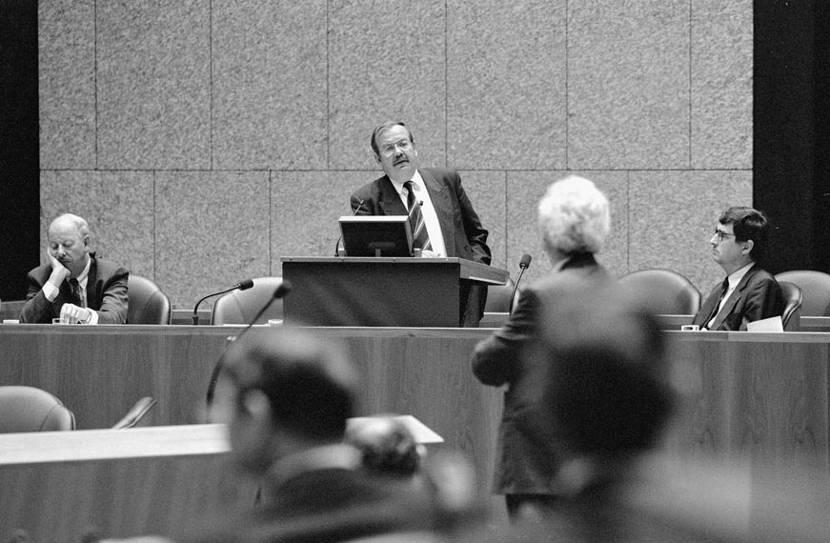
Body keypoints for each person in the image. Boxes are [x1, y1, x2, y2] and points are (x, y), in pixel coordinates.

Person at [188, 327, 445, 543]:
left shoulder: (230, 538)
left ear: (257, 414)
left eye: (221, 404)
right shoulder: (439, 520)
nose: (209, 417)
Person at [470, 175, 614, 521]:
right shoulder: (615, 293)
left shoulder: (542, 296)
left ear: (550, 235)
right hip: (595, 463)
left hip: (537, 463)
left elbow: (488, 363)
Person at [349, 121, 491, 326]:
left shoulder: (447, 181)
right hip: (404, 307)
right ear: (378, 158)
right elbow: (366, 264)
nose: (398, 152)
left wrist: (473, 271)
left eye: (403, 144)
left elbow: (476, 234)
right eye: (389, 148)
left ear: (414, 148)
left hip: (460, 296)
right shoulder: (367, 199)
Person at [20, 213, 129, 324]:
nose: (60, 253)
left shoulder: (111, 275)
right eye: (54, 246)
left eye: (67, 245)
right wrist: (53, 282)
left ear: (86, 243)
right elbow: (25, 324)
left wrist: (85, 316)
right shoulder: (40, 277)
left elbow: (114, 319)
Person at [692, 206, 785, 331]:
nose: (712, 241)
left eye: (723, 236)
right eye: (716, 233)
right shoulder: (720, 288)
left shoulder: (762, 285)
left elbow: (748, 344)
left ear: (746, 247)